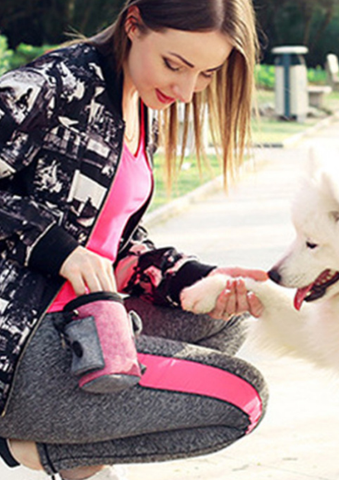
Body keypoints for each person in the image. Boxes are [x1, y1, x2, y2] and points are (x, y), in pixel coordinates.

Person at [0, 1, 269, 479]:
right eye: (174, 64)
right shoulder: (59, 84)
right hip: (22, 336)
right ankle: (29, 446)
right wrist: (57, 249)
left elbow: (116, 245)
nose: (185, 90)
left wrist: (196, 279)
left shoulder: (143, 108)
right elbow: (71, 246)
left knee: (224, 317)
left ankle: (71, 450)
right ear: (133, 23)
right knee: (241, 399)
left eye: (206, 74)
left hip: (85, 321)